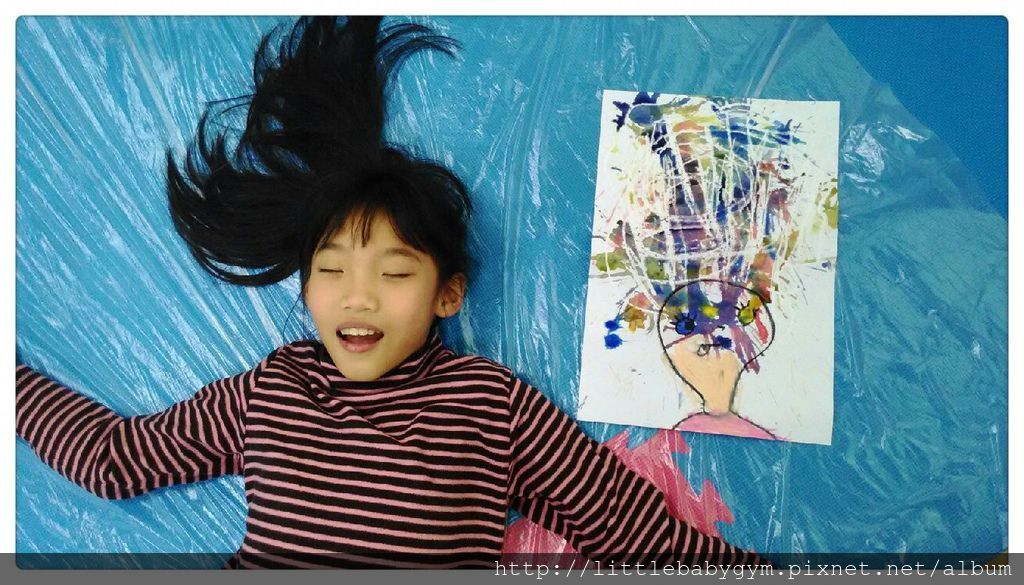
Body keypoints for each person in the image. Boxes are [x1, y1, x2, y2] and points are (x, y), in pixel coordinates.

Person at [15, 15, 768, 569]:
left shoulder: (491, 405)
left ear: (448, 294)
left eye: (395, 272)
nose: (357, 298)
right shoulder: (274, 387)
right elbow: (114, 459)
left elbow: (639, 536)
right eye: (331, 269)